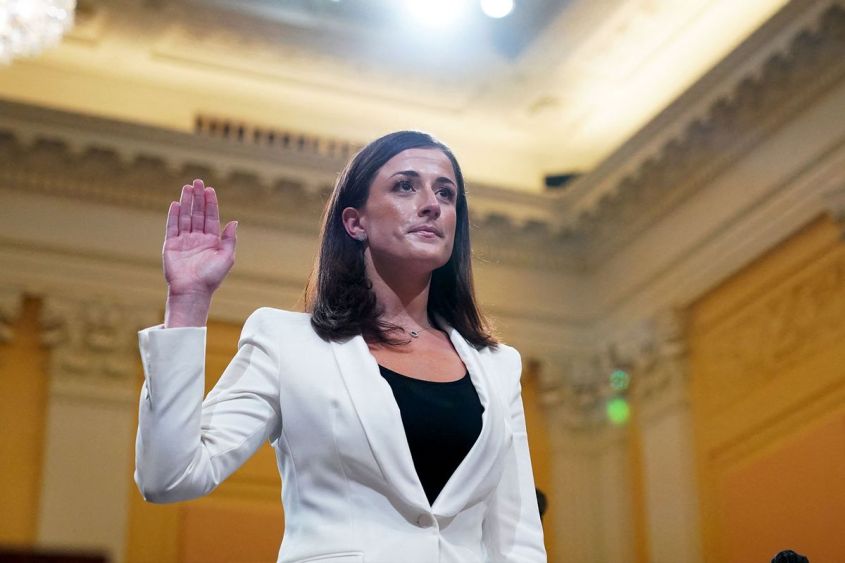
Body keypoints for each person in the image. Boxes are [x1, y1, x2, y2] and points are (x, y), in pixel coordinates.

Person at [134, 131, 547, 563]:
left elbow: (516, 539)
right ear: (355, 222)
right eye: (406, 185)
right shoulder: (285, 343)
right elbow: (170, 477)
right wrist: (188, 302)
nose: (432, 203)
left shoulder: (499, 366)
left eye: (446, 193)